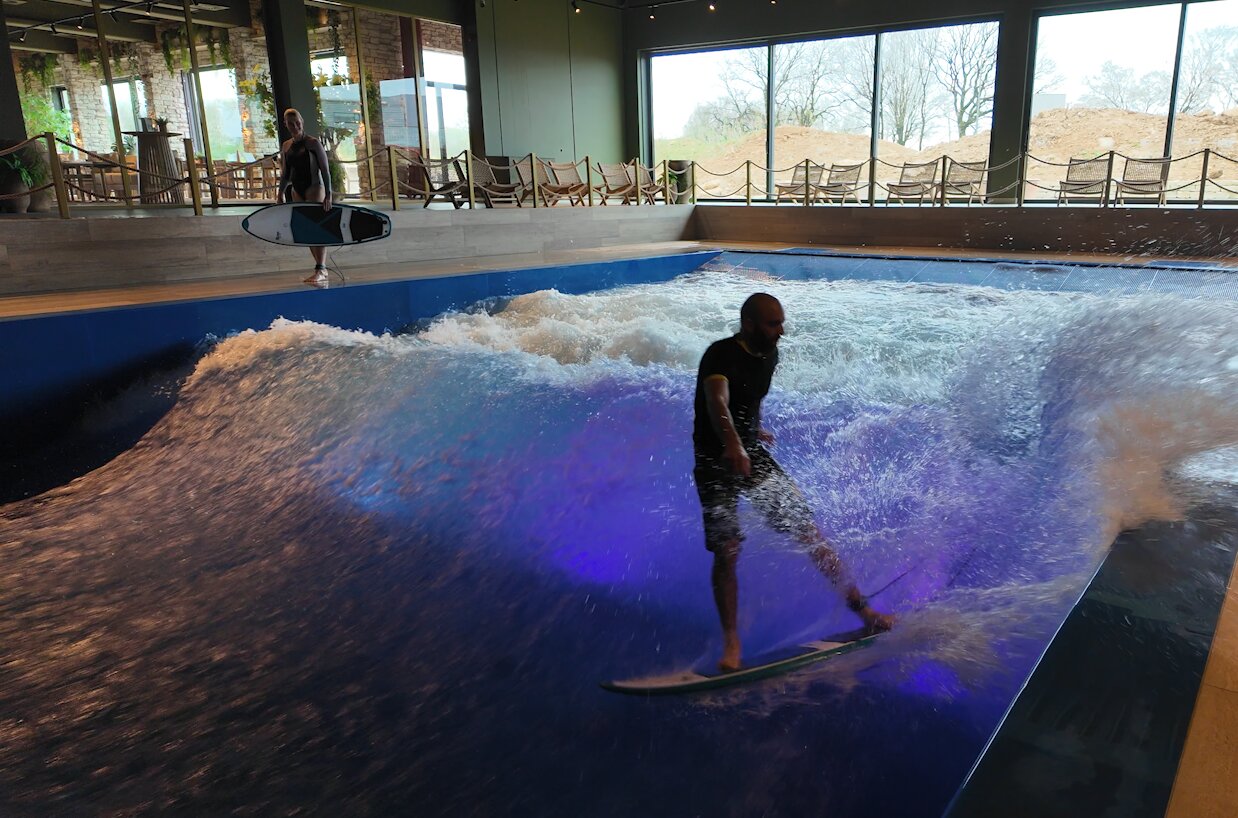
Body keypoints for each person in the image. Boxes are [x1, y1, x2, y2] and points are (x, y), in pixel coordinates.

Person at [693, 292, 893, 672]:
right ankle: (732, 643)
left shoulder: (769, 354)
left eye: (781, 322)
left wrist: (753, 428)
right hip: (714, 461)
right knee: (728, 550)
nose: (781, 331)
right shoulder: (720, 354)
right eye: (773, 324)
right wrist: (735, 443)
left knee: (808, 531)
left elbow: (749, 398)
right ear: (749, 324)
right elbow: (717, 401)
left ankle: (864, 611)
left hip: (751, 452)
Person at [276, 108, 333, 285]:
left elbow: (325, 170)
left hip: (314, 188)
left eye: (297, 122)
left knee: (317, 227)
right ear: (286, 125)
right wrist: (280, 194)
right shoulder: (286, 146)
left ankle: (321, 268)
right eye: (291, 124)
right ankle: (319, 268)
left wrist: (329, 194)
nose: (295, 126)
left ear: (302, 121)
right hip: (297, 190)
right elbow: (286, 173)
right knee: (307, 230)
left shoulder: (313, 143)